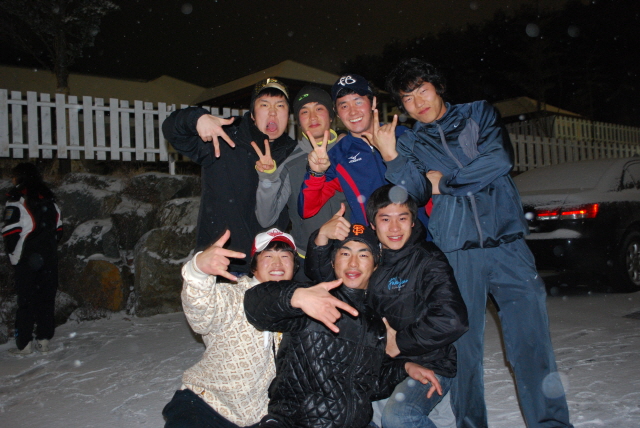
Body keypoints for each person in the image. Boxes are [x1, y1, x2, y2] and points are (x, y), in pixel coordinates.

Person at [375, 57, 573, 428]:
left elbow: (498, 160)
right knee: (464, 351)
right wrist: (391, 155)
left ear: (437, 86)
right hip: (457, 251)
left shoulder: (477, 113)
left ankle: (551, 423)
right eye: (408, 99)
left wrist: (447, 182)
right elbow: (416, 190)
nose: (418, 103)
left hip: (508, 244)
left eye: (422, 91)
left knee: (531, 345)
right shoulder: (412, 142)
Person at [245, 224, 443, 428]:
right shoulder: (313, 298)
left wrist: (404, 368)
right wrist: (295, 296)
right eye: (345, 253)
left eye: (363, 255)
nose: (353, 263)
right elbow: (255, 306)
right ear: (333, 262)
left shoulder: (375, 323)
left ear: (376, 265)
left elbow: (368, 386)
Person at [306, 185, 468, 428]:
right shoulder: (373, 259)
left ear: (413, 221)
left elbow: (452, 319)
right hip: (384, 369)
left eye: (402, 218)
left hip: (429, 363)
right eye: (385, 219)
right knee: (343, 413)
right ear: (373, 224)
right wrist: (321, 238)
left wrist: (399, 343)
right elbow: (329, 278)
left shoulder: (426, 259)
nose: (394, 228)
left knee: (399, 418)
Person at [162, 228, 298, 428]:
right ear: (254, 266)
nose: (277, 263)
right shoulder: (234, 296)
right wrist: (198, 272)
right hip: (206, 405)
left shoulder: (297, 307)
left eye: (285, 256)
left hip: (260, 416)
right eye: (268, 256)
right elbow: (202, 315)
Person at [162, 78, 297, 275]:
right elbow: (172, 130)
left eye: (280, 105)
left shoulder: (294, 155)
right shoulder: (224, 139)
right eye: (264, 105)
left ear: (288, 114)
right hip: (221, 263)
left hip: (270, 270)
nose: (273, 112)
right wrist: (196, 118)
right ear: (252, 114)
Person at [254, 85, 350, 281]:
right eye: (304, 112)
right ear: (298, 121)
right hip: (308, 261)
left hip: (353, 256)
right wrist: (267, 178)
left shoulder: (351, 151)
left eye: (319, 108)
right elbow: (266, 218)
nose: (312, 117)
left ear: (331, 115)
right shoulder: (291, 162)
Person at [297, 74, 409, 226]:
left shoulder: (404, 137)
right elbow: (306, 210)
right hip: (370, 238)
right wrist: (316, 173)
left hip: (418, 236)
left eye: (358, 102)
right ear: (337, 113)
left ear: (373, 102)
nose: (353, 112)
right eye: (344, 106)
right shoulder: (337, 156)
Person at [2, 162, 63, 355]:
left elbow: (10, 232)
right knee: (46, 299)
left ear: (20, 177)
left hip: (27, 257)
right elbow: (59, 230)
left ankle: (24, 343)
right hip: (49, 257)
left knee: (26, 301)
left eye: (14, 175)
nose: (12, 179)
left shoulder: (17, 200)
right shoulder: (51, 201)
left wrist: (14, 256)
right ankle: (44, 340)